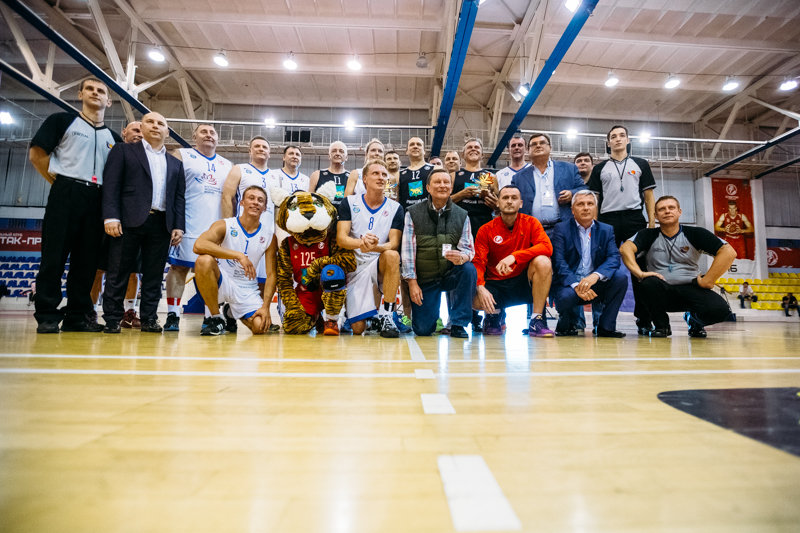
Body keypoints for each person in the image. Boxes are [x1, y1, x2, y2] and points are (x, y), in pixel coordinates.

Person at [28, 78, 122, 333]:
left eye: (101, 91)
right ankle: (47, 315)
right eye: (90, 89)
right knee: (53, 257)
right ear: (80, 94)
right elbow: (37, 154)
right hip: (66, 191)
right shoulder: (61, 121)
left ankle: (77, 317)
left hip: (98, 198)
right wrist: (58, 183)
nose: (95, 93)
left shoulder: (114, 139)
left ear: (109, 101)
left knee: (86, 262)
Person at [101, 112, 186, 333]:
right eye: (150, 122)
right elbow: (111, 185)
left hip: (162, 223)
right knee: (118, 272)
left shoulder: (175, 163)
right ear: (142, 127)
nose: (155, 126)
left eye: (161, 123)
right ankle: (112, 318)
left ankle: (149, 318)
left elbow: (178, 197)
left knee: (154, 275)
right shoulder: (123, 150)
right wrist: (111, 216)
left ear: (167, 131)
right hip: (128, 220)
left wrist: (178, 225)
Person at [620, 196, 736, 338]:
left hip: (691, 287)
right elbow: (625, 249)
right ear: (655, 216)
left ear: (679, 211)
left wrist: (708, 280)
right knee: (647, 283)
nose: (667, 211)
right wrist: (640, 274)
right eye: (662, 209)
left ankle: (694, 322)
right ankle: (661, 326)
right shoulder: (647, 235)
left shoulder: (696, 233)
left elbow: (728, 252)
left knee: (720, 310)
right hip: (661, 291)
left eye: (671, 208)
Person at [588, 124, 657, 336]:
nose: (618, 139)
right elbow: (595, 200)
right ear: (608, 142)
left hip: (634, 219)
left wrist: (651, 224)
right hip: (607, 220)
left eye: (622, 135)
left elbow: (648, 197)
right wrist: (594, 226)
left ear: (628, 140)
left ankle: (644, 319)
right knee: (604, 269)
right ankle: (602, 320)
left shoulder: (641, 164)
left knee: (640, 269)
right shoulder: (599, 169)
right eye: (613, 136)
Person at [165, 123, 232, 332]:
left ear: (218, 139)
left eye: (212, 132)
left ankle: (210, 316)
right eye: (203, 132)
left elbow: (230, 199)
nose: (208, 135)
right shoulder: (181, 155)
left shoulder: (227, 165)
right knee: (178, 268)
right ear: (194, 137)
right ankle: (172, 315)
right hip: (186, 225)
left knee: (209, 271)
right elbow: (171, 190)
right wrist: (174, 223)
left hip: (214, 229)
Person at [402, 168, 476, 338]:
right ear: (428, 188)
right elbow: (407, 252)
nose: (442, 185)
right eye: (437, 182)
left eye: (446, 182)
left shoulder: (462, 215)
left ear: (451, 188)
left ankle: (458, 323)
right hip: (425, 278)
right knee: (423, 330)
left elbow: (469, 250)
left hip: (450, 274)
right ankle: (428, 317)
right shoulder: (412, 213)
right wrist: (412, 283)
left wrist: (462, 257)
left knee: (468, 269)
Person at [194, 185, 277, 335]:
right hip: (222, 280)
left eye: (260, 200)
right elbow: (198, 245)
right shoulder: (225, 225)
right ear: (242, 202)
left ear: (265, 208)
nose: (255, 202)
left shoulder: (269, 236)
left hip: (247, 288)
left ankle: (230, 312)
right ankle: (215, 318)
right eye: (251, 198)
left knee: (260, 327)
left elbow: (271, 275)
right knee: (203, 260)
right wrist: (238, 255)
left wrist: (266, 307)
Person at [472, 186, 554, 337]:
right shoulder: (485, 230)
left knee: (543, 261)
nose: (509, 201)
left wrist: (515, 257)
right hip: (496, 284)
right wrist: (480, 287)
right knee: (474, 299)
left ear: (521, 203)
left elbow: (547, 247)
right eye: (505, 198)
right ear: (497, 203)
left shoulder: (532, 223)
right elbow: (478, 262)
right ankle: (494, 315)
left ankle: (537, 320)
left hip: (523, 282)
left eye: (514, 198)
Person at [337, 160, 403, 337]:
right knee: (358, 329)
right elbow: (341, 239)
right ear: (364, 179)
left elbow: (393, 243)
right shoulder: (349, 202)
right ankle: (366, 318)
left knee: (392, 255)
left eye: (384, 174)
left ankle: (387, 315)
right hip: (355, 266)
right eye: (375, 173)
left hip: (378, 263)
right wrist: (361, 244)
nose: (381, 177)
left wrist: (375, 247)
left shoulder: (395, 207)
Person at [551, 190, 628, 338]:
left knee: (620, 278)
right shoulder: (561, 229)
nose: (586, 208)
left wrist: (595, 276)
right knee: (565, 296)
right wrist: (576, 285)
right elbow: (558, 261)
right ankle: (566, 324)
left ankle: (606, 327)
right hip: (570, 285)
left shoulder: (606, 229)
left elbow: (613, 258)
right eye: (580, 204)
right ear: (572, 210)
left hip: (594, 283)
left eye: (590, 204)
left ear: (595, 208)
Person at [90, 120, 143, 328]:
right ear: (124, 132)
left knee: (133, 271)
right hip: (108, 217)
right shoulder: (113, 152)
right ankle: (91, 310)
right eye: (135, 130)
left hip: (133, 221)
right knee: (99, 268)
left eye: (142, 131)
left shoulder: (147, 160)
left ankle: (129, 311)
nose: (139, 134)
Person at [221, 137, 278, 307]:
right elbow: (227, 197)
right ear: (250, 150)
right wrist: (228, 227)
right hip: (242, 231)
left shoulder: (276, 176)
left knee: (263, 276)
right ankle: (228, 312)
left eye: (265, 147)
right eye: (257, 146)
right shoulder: (239, 169)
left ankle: (258, 308)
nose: (261, 149)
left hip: (266, 233)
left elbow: (278, 208)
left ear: (269, 153)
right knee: (235, 273)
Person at [452, 138, 497, 332]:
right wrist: (462, 194)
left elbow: (499, 205)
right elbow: (444, 201)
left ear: (482, 153)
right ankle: (460, 318)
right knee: (463, 270)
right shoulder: (455, 175)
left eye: (477, 147)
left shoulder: (489, 176)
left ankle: (489, 316)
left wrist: (492, 201)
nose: (473, 149)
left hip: (484, 225)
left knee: (487, 270)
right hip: (460, 225)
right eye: (469, 147)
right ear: (463, 154)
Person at [510, 133, 586, 237]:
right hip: (530, 232)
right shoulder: (518, 178)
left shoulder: (569, 169)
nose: (538, 146)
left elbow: (584, 189)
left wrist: (572, 194)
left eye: (542, 143)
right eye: (534, 144)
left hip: (563, 229)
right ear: (528, 150)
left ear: (550, 147)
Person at [572, 151, 603, 331]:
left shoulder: (599, 181)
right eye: (578, 161)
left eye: (586, 160)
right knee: (576, 271)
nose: (582, 163)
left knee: (598, 272)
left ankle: (599, 320)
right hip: (576, 231)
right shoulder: (571, 183)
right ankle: (578, 320)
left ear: (592, 165)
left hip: (596, 232)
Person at [397, 137, 436, 212]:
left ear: (424, 151)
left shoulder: (435, 169)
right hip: (408, 216)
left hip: (430, 215)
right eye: (412, 144)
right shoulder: (399, 174)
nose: (415, 146)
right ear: (406, 151)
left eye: (419, 144)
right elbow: (396, 200)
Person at [309, 141, 350, 207]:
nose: (337, 153)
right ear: (329, 156)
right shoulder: (317, 175)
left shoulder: (352, 177)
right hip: (323, 213)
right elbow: (309, 200)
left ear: (346, 157)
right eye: (334, 151)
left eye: (341, 151)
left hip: (344, 213)